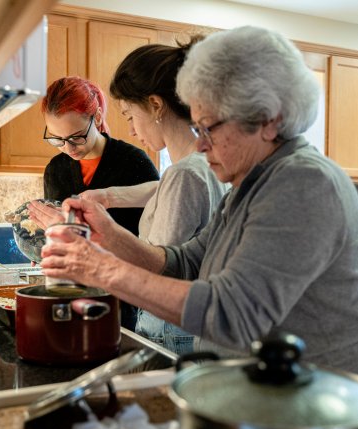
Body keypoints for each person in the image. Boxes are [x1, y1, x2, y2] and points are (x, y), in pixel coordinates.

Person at [39, 25, 358, 373]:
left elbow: (231, 313)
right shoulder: (250, 185)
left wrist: (100, 268)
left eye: (210, 128)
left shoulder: (303, 184)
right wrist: (110, 238)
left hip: (303, 413)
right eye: (197, 128)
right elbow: (185, 263)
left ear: (269, 119)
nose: (201, 145)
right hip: (251, 397)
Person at [76, 42, 228, 355]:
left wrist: (87, 250)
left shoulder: (184, 173)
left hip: (169, 330)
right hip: (188, 326)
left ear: (156, 105)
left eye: (130, 116)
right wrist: (107, 196)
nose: (130, 130)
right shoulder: (202, 165)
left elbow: (155, 263)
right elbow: (157, 189)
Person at [40, 76, 160, 330]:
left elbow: (154, 241)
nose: (68, 148)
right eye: (57, 139)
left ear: (95, 117)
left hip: (125, 297)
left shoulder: (133, 162)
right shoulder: (56, 169)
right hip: (72, 293)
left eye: (75, 137)